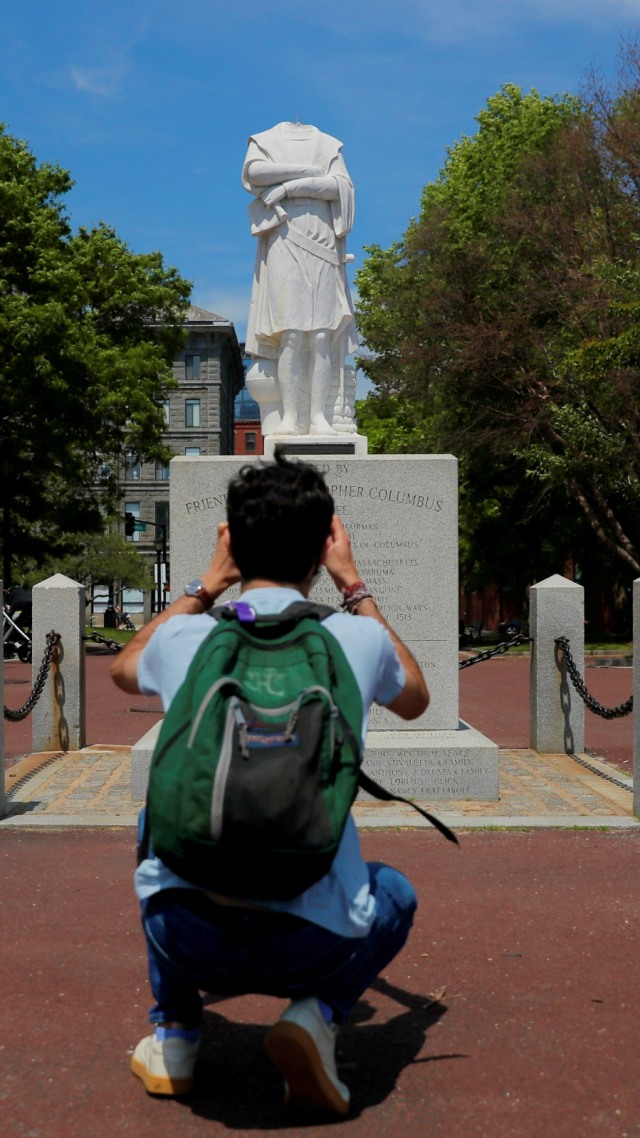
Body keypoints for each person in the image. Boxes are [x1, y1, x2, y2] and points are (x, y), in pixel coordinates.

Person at [111, 455, 429, 1116]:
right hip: (313, 947)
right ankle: (317, 1015)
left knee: (153, 821)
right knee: (395, 892)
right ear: (323, 546)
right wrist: (353, 583)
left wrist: (207, 582)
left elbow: (123, 667)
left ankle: (176, 1036)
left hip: (187, 935)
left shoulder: (188, 638)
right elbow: (416, 697)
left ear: (232, 539)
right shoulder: (356, 640)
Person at [242, 121, 358, 436]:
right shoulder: (265, 139)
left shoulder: (329, 144)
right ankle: (290, 418)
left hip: (322, 236)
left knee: (321, 335)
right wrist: (307, 173)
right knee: (290, 334)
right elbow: (254, 174)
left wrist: (287, 188)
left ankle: (318, 417)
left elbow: (339, 188)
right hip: (284, 236)